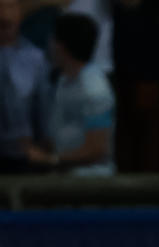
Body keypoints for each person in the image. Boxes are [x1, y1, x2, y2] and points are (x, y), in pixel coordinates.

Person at [25, 12, 115, 175]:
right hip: (63, 177)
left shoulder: (95, 90)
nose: (49, 45)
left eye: (52, 39)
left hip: (90, 182)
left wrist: (50, 159)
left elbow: (97, 149)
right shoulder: (63, 81)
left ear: (60, 46)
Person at [0, 0, 51, 173]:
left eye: (10, 7)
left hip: (27, 155)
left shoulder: (36, 58)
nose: (4, 14)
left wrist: (44, 150)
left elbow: (44, 109)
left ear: (20, 14)